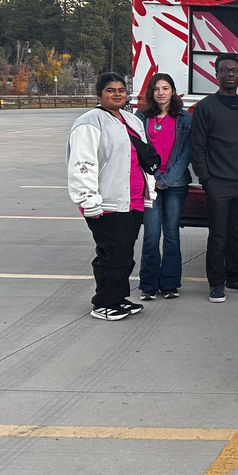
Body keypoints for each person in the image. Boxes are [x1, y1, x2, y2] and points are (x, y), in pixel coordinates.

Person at [68, 72, 156, 320]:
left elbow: (140, 158)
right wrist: (88, 200)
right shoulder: (90, 122)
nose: (117, 94)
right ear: (99, 94)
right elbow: (82, 164)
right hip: (106, 202)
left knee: (123, 255)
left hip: (132, 200)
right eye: (110, 90)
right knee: (113, 254)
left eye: (121, 90)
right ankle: (103, 303)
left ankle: (118, 298)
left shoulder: (131, 120)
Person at [190, 54, 238, 303]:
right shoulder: (205, 107)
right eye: (224, 70)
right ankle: (216, 283)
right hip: (217, 182)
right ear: (216, 73)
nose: (230, 74)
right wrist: (205, 178)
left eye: (234, 70)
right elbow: (197, 146)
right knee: (218, 235)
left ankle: (234, 277)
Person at [135, 72, 192, 300]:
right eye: (157, 89)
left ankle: (169, 284)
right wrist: (156, 176)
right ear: (151, 92)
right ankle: (148, 284)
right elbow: (138, 150)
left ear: (173, 91)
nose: (161, 93)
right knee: (150, 234)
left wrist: (167, 179)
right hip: (149, 182)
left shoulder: (185, 119)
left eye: (165, 88)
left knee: (171, 234)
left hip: (176, 184)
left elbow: (187, 152)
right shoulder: (140, 117)